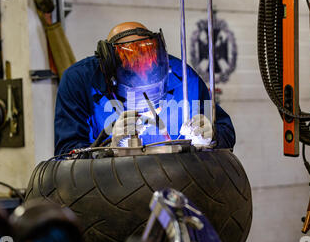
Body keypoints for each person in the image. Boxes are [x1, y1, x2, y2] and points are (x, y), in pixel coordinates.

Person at [54, 22, 235, 155]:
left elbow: (226, 131)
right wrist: (109, 149)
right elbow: (66, 153)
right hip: (110, 190)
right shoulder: (78, 81)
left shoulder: (184, 78)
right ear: (109, 72)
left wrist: (212, 135)